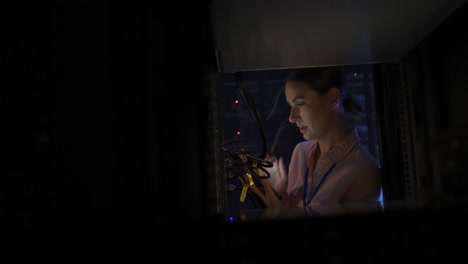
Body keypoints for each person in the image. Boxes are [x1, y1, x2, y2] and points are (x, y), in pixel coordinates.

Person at [243, 66, 382, 212]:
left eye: (301, 104)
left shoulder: (365, 172)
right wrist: (281, 195)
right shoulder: (301, 152)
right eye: (291, 106)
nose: (292, 117)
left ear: (333, 98)